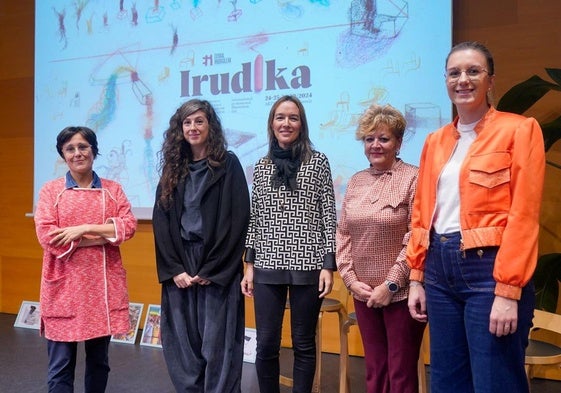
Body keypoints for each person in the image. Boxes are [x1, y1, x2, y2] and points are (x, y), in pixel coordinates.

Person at [406, 41, 545, 393]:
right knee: (447, 381)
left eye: (473, 71)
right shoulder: (435, 141)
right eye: (454, 73)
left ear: (491, 80)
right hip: (439, 269)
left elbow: (524, 216)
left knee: (494, 381)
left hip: (490, 270)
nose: (463, 80)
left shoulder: (520, 129)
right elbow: (423, 211)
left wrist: (508, 290)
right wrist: (417, 277)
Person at [241, 95, 337, 393]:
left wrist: (328, 264)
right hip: (267, 263)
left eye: (293, 117)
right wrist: (248, 265)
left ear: (301, 124)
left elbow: (329, 214)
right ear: (272, 124)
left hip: (308, 263)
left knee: (303, 343)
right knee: (267, 343)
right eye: (280, 117)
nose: (286, 123)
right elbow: (254, 217)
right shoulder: (261, 166)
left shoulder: (318, 161)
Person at [152, 99, 250, 393]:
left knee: (218, 345)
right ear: (179, 129)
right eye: (187, 122)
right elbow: (161, 220)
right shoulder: (173, 168)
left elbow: (238, 219)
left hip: (216, 264)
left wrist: (213, 268)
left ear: (211, 126)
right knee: (183, 347)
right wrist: (174, 269)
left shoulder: (228, 164)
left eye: (199, 121)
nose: (193, 128)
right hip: (181, 263)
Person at [34, 126, 137, 393]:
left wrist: (79, 230)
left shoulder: (113, 190)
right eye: (70, 149)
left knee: (99, 363)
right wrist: (103, 235)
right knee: (60, 366)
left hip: (101, 289)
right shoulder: (50, 191)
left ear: (94, 150)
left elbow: (128, 227)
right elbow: (48, 236)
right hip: (64, 288)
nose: (77, 153)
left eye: (83, 147)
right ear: (63, 155)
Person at [336, 104, 426, 393]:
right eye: (369, 139)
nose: (375, 145)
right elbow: (343, 233)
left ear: (398, 143)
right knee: (374, 371)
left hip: (400, 294)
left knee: (400, 374)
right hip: (363, 293)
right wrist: (350, 281)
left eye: (384, 138)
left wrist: (390, 284)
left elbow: (416, 235)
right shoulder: (356, 181)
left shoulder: (414, 178)